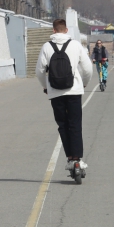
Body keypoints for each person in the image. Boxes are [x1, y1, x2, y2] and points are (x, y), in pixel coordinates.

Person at [36, 19, 94, 172]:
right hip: (74, 91)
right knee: (75, 124)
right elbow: (88, 68)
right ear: (66, 30)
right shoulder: (76, 45)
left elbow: (39, 71)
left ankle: (69, 158)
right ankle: (77, 159)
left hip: (55, 92)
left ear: (53, 30)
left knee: (63, 125)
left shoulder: (46, 46)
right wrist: (84, 83)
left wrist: (45, 86)